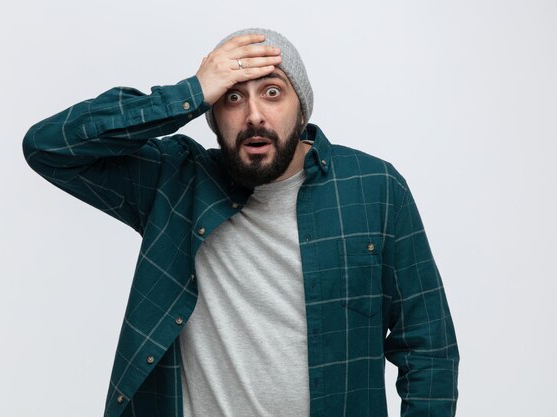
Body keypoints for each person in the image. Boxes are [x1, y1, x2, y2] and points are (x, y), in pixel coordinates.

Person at [23, 28, 459, 417]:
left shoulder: (373, 188)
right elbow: (49, 146)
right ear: (212, 115)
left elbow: (428, 347)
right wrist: (190, 91)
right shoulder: (175, 182)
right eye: (232, 96)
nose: (254, 115)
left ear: (301, 108)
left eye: (272, 92)